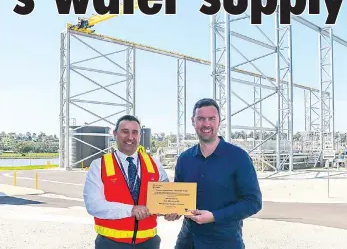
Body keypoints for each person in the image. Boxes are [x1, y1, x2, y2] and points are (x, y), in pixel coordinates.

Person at [166, 98, 262, 248]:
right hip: (188, 241)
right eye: (201, 119)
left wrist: (214, 216)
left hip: (224, 241)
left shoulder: (238, 157)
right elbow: (179, 199)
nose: (206, 124)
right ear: (193, 121)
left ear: (219, 121)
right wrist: (173, 211)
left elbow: (253, 202)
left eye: (211, 118)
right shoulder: (184, 159)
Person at [83, 115, 169, 249]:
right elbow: (93, 205)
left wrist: (172, 210)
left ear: (140, 136)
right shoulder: (99, 165)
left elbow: (166, 197)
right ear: (115, 133)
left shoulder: (154, 165)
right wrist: (131, 210)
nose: (130, 137)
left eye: (135, 132)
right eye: (125, 132)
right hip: (110, 243)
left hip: (149, 243)